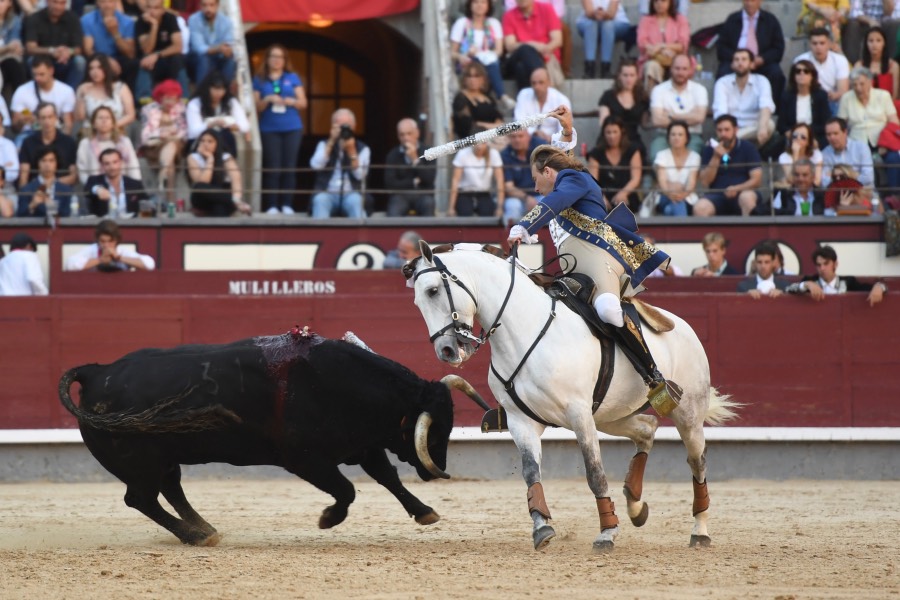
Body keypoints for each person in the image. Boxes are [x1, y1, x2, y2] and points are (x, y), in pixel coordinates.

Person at [506, 105, 680, 407]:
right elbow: (557, 153)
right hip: (574, 269)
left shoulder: (572, 180)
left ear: (548, 172)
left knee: (609, 310)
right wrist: (567, 129)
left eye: (536, 179)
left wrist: (524, 224)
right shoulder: (562, 177)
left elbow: (556, 197)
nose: (535, 187)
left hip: (600, 259)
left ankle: (654, 376)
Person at [253, 44, 306, 215]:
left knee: (289, 167)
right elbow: (256, 107)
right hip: (269, 128)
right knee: (273, 167)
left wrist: (292, 102)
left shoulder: (293, 77)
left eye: (280, 57)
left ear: (285, 60)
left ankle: (287, 204)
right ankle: (271, 205)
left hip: (292, 127)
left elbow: (303, 103)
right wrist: (267, 99)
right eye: (273, 56)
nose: (276, 60)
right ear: (267, 59)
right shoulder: (259, 79)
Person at [838, 66, 900, 192]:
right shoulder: (846, 98)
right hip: (857, 143)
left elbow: (894, 122)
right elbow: (840, 124)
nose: (858, 88)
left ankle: (894, 196)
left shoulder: (883, 95)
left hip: (882, 142)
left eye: (862, 84)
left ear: (870, 82)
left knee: (894, 158)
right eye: (855, 85)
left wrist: (888, 143)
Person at [716, 0, 787, 105]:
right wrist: (736, 59)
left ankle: (773, 109)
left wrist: (762, 59)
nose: (749, 3)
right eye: (747, 0)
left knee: (776, 73)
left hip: (761, 62)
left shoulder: (770, 20)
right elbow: (721, 46)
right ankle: (724, 108)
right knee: (723, 72)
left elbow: (778, 48)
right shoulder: (732, 19)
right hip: (736, 61)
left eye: (753, 0)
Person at [449, 0, 515, 110]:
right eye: (476, 2)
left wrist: (483, 53)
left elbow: (499, 50)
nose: (479, 5)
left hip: (488, 63)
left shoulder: (494, 23)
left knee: (491, 61)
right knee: (481, 63)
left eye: (483, 2)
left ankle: (500, 97)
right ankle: (502, 95)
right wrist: (463, 55)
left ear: (488, 6)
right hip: (468, 63)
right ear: (470, 5)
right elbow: (452, 52)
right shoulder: (462, 23)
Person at [696, 114, 763, 217]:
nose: (723, 134)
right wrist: (715, 157)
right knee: (700, 207)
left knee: (747, 198)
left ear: (735, 130)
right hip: (717, 195)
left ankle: (749, 233)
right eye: (720, 130)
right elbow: (705, 182)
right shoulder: (709, 149)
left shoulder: (748, 147)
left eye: (727, 130)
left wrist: (737, 188)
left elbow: (757, 180)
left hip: (743, 191)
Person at [712, 49, 776, 153]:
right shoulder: (722, 83)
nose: (740, 63)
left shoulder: (762, 81)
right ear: (732, 65)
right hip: (730, 129)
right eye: (736, 60)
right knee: (725, 132)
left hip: (755, 128)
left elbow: (766, 106)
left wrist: (762, 127)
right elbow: (720, 112)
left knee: (769, 124)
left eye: (744, 59)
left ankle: (734, 146)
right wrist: (730, 132)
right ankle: (740, 150)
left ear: (752, 64)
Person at [310, 108, 369, 219]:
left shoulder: (363, 148)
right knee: (319, 200)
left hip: (351, 194)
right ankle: (320, 236)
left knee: (357, 202)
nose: (343, 131)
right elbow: (315, 166)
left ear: (354, 127)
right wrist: (331, 141)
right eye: (340, 127)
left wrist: (352, 150)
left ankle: (361, 236)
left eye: (347, 127)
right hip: (327, 193)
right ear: (333, 127)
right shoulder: (324, 144)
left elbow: (360, 175)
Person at [648, 54, 707, 160]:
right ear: (671, 69)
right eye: (677, 68)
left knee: (692, 161)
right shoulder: (659, 90)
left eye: (684, 69)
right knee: (656, 158)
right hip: (664, 135)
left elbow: (700, 118)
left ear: (690, 70)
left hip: (692, 135)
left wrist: (671, 115)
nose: (680, 72)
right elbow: (657, 121)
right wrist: (689, 116)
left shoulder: (700, 90)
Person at [787, 244, 887, 306]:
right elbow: (788, 290)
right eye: (819, 265)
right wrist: (806, 284)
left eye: (826, 264)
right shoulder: (810, 281)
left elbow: (872, 287)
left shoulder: (849, 282)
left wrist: (879, 287)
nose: (822, 268)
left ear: (835, 264)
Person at [139, 79, 187, 206]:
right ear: (160, 97)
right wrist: (160, 134)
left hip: (176, 145)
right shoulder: (149, 110)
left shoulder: (181, 109)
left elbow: (185, 131)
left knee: (172, 144)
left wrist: (174, 133)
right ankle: (170, 199)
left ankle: (163, 174)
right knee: (170, 164)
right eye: (167, 98)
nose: (171, 102)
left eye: (174, 98)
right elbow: (145, 136)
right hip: (155, 146)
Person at [134, 0, 190, 102]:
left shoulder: (170, 18)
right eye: (149, 8)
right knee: (144, 61)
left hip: (167, 59)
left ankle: (184, 98)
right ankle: (144, 99)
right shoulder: (140, 22)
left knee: (178, 59)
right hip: (150, 62)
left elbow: (178, 46)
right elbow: (147, 49)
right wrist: (154, 26)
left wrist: (157, 55)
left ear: (163, 10)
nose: (152, 11)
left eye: (156, 8)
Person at [186, 129, 251, 217]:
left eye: (210, 141)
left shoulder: (226, 158)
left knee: (219, 208)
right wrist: (210, 159)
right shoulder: (193, 157)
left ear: (217, 144)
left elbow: (236, 182)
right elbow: (203, 183)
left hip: (222, 198)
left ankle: (233, 203)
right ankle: (236, 203)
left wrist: (236, 198)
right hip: (201, 198)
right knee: (199, 186)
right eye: (202, 141)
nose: (205, 144)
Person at [23, 0, 86, 90]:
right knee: (32, 60)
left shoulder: (73, 18)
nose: (58, 7)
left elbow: (78, 48)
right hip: (44, 60)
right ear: (47, 2)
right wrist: (51, 51)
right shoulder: (34, 18)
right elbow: (30, 48)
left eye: (62, 3)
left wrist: (68, 51)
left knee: (80, 61)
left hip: (65, 60)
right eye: (55, 2)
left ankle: (69, 93)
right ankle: (38, 92)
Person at [10, 56, 76, 141]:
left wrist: (62, 142)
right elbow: (15, 127)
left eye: (41, 74)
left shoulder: (66, 91)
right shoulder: (22, 91)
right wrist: (22, 120)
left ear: (51, 71)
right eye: (34, 75)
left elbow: (68, 124)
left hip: (56, 133)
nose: (37, 78)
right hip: (29, 134)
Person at [502, 0, 563, 91]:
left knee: (521, 68)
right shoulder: (509, 15)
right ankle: (542, 80)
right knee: (525, 49)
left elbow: (557, 40)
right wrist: (532, 45)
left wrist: (544, 49)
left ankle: (527, 101)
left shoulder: (547, 9)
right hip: (517, 57)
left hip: (544, 57)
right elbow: (510, 46)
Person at [187, 70, 250, 157]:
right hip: (200, 142)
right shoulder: (195, 103)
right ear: (207, 88)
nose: (218, 93)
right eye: (215, 89)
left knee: (226, 136)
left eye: (222, 89)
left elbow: (245, 125)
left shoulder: (230, 102)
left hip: (224, 141)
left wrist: (235, 126)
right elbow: (193, 132)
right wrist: (211, 124)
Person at [587, 115, 641, 213]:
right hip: (604, 196)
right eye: (608, 132)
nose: (612, 136)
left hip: (627, 195)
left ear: (622, 132)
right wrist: (601, 197)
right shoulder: (596, 153)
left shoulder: (632, 150)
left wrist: (623, 193)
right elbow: (593, 181)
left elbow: (635, 179)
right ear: (603, 134)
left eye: (615, 132)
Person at [383, 118, 436, 217]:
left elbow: (429, 179)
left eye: (409, 133)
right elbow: (390, 184)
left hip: (423, 195)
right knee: (394, 210)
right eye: (402, 135)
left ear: (417, 133)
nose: (406, 138)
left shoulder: (429, 152)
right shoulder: (393, 155)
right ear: (398, 136)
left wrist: (415, 160)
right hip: (401, 196)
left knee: (428, 204)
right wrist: (413, 182)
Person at [73, 53, 136, 135]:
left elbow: (130, 115)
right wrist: (81, 95)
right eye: (91, 68)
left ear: (106, 69)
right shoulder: (83, 88)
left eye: (99, 68)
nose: (95, 72)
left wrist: (110, 127)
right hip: (91, 132)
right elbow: (80, 118)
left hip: (117, 131)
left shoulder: (120, 87)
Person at [77, 106, 141, 185]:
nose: (104, 121)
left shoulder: (124, 141)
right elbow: (82, 170)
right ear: (93, 123)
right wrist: (93, 188)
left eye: (107, 118)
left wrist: (136, 185)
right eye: (100, 118)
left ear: (113, 123)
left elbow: (133, 165)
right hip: (97, 189)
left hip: (123, 186)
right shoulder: (85, 144)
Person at [18, 102, 77, 187]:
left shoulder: (68, 142)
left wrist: (51, 183)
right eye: (43, 118)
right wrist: (25, 195)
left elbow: (74, 176)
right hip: (34, 190)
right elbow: (24, 176)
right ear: (38, 120)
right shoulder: (28, 142)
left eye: (50, 117)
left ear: (56, 118)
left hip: (62, 191)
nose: (47, 121)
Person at [794, 28, 851, 116]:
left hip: (832, 102)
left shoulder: (840, 60)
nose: (818, 47)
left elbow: (843, 91)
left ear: (829, 44)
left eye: (822, 43)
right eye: (815, 43)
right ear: (810, 44)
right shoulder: (800, 61)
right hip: (809, 100)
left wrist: (835, 95)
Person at [448, 130, 504, 217]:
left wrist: (500, 207)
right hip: (465, 193)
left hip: (484, 193)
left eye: (483, 143)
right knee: (465, 214)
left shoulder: (494, 154)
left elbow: (500, 181)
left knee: (487, 213)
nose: (479, 147)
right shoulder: (462, 154)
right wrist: (451, 208)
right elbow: (455, 181)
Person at [597, 60, 648, 155]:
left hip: (633, 139)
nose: (628, 79)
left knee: (639, 151)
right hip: (610, 137)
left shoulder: (642, 98)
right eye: (625, 75)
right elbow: (603, 123)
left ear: (637, 77)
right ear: (619, 76)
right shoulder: (608, 96)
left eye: (632, 75)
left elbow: (645, 124)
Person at [636, 0, 690, 92]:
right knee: (651, 66)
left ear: (670, 2)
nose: (659, 4)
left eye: (663, 1)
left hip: (675, 58)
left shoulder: (680, 19)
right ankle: (652, 101)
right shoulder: (646, 20)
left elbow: (683, 44)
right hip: (653, 58)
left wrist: (662, 46)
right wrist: (661, 52)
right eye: (656, 1)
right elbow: (642, 43)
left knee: (678, 67)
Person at [778, 59, 832, 151]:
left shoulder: (820, 96)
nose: (801, 74)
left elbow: (825, 123)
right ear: (794, 76)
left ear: (812, 76)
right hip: (793, 135)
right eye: (798, 71)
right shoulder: (786, 96)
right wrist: (795, 135)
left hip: (815, 135)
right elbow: (781, 125)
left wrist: (807, 135)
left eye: (806, 71)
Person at [65, 218, 155, 271]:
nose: (106, 245)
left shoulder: (121, 251)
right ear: (98, 240)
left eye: (110, 241)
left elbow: (150, 264)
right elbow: (70, 264)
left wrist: (119, 258)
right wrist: (100, 260)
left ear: (116, 241)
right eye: (103, 241)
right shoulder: (93, 250)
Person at [81, 0, 137, 84]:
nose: (107, 5)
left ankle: (129, 94)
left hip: (118, 58)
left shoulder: (127, 21)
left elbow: (130, 53)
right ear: (97, 3)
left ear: (116, 3)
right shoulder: (86, 20)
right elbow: (88, 50)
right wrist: (106, 61)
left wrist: (115, 32)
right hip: (97, 57)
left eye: (110, 1)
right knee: (86, 62)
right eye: (103, 2)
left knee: (132, 63)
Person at [84, 147, 148, 218]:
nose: (112, 167)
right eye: (107, 164)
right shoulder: (94, 180)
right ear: (102, 165)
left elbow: (146, 204)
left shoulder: (135, 184)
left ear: (121, 162)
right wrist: (97, 190)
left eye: (115, 162)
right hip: (104, 226)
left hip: (131, 225)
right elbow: (88, 188)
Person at [653, 120, 700, 216]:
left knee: (671, 209)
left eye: (680, 134)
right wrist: (670, 193)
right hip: (665, 196)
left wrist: (682, 194)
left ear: (686, 138)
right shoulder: (661, 155)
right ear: (668, 137)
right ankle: (684, 230)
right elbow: (662, 181)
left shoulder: (695, 156)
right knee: (678, 204)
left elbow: (691, 182)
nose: (676, 138)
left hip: (687, 197)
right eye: (673, 134)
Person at [576, 0, 632, 79]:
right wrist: (595, 13)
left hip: (617, 21)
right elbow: (588, 11)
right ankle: (589, 68)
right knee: (591, 24)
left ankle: (606, 68)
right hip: (589, 21)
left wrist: (603, 15)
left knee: (607, 24)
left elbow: (612, 13)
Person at [514, 66, 571, 142]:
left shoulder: (561, 100)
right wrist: (534, 132)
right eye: (533, 83)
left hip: (552, 143)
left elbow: (565, 129)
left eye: (541, 82)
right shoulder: (524, 95)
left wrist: (551, 139)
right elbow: (519, 122)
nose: (537, 86)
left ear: (549, 82)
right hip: (528, 140)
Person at [16, 147, 75, 217]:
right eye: (43, 161)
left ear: (57, 164)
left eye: (51, 161)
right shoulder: (26, 189)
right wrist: (32, 205)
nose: (47, 165)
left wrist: (50, 205)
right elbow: (19, 217)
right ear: (38, 163)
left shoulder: (66, 190)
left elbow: (68, 215)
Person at [452, 60, 504, 139]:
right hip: (473, 140)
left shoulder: (488, 98)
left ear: (483, 79)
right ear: (464, 79)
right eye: (469, 76)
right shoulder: (461, 98)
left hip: (494, 137)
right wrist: (491, 127)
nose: (472, 80)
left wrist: (482, 124)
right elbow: (466, 126)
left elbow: (499, 120)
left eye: (476, 76)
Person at [188, 0, 235, 84]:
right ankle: (202, 94)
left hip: (218, 57)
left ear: (217, 5)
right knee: (204, 59)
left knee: (230, 61)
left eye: (211, 5)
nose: (208, 9)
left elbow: (228, 43)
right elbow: (199, 48)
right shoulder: (194, 19)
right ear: (200, 6)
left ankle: (225, 92)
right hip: (197, 58)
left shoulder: (226, 22)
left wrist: (227, 50)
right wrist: (219, 48)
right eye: (204, 5)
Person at [821, 116, 875, 187]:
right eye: (829, 134)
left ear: (845, 132)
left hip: (862, 194)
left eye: (835, 133)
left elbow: (868, 178)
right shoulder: (825, 153)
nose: (832, 138)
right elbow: (824, 183)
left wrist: (835, 175)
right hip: (838, 196)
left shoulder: (861, 148)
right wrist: (853, 174)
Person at [501, 127, 542, 221]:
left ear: (528, 137)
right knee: (512, 206)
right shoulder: (505, 155)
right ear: (509, 139)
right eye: (513, 137)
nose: (517, 140)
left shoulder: (539, 148)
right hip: (517, 197)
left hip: (540, 193)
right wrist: (526, 198)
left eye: (520, 136)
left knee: (548, 203)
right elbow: (509, 187)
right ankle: (513, 235)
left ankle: (548, 235)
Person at [856, 26, 899, 99]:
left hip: (888, 106)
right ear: (866, 44)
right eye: (871, 41)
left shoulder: (894, 66)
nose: (874, 44)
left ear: (884, 43)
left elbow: (896, 95)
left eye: (878, 40)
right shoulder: (859, 65)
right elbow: (856, 92)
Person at [779, 123, 824, 187]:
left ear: (808, 142)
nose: (798, 139)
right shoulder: (784, 156)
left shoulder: (816, 154)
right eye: (795, 136)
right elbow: (791, 179)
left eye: (803, 137)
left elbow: (817, 181)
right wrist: (795, 155)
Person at [0, 0, 26, 99]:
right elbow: (10, 47)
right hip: (5, 57)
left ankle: (23, 108)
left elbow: (15, 45)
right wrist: (7, 48)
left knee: (14, 64)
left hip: (6, 61)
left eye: (2, 1)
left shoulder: (14, 20)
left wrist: (7, 49)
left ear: (10, 3)